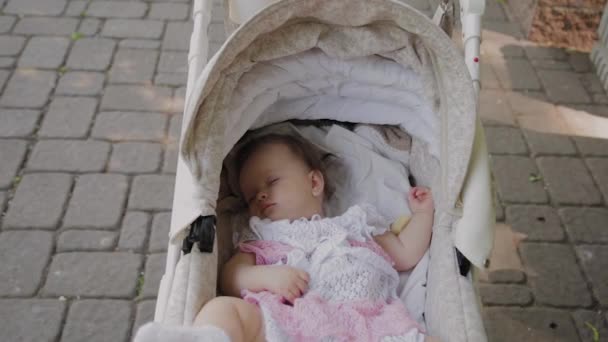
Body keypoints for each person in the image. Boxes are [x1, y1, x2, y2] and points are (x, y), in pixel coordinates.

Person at [194, 134, 437, 342]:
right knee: (222, 311)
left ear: (314, 182)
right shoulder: (264, 238)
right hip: (292, 322)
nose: (261, 196)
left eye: (272, 181)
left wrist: (424, 213)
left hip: (366, 325)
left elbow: (405, 251)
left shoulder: (353, 227)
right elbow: (231, 276)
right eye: (251, 196)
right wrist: (266, 277)